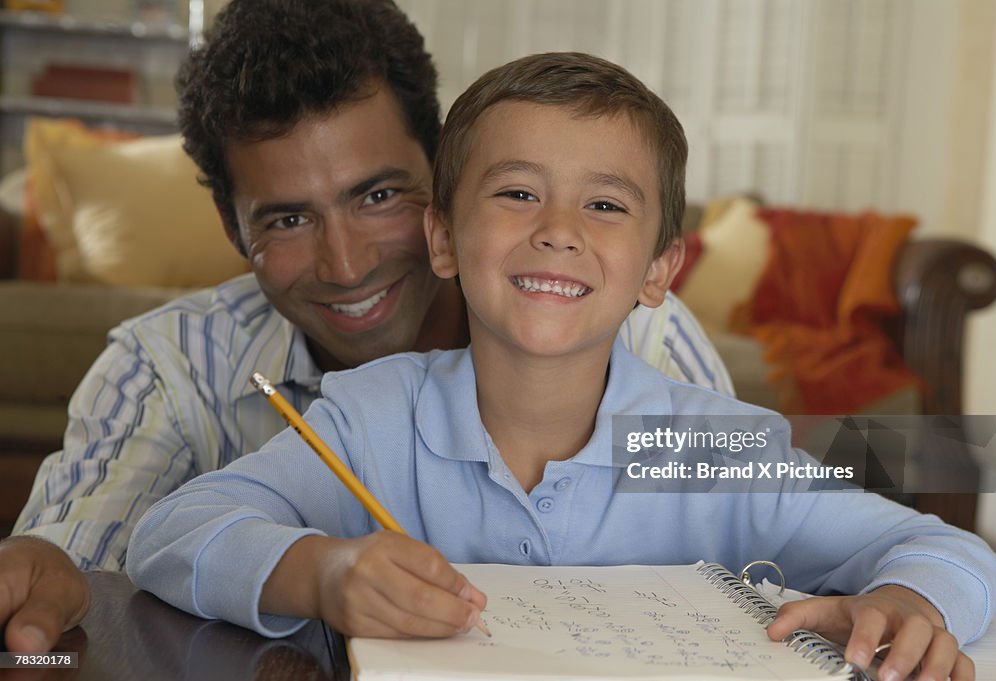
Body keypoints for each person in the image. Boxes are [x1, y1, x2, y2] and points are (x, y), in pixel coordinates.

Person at [127, 52, 996, 681]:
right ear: (442, 238)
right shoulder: (369, 419)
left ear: (661, 269)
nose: (559, 228)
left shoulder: (711, 449)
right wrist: (322, 572)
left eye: (606, 204)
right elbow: (171, 533)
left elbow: (948, 550)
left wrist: (910, 601)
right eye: (516, 193)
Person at [0, 0, 732, 655]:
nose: (346, 265)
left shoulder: (641, 339)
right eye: (288, 218)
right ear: (232, 229)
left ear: (442, 181)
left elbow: (769, 545)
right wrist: (48, 568)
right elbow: (72, 563)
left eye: (378, 195)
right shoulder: (168, 365)